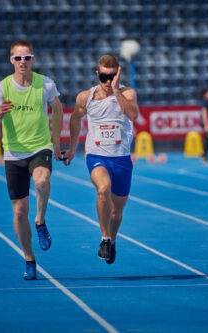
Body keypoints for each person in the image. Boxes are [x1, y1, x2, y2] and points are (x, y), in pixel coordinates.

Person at [0, 40, 63, 279]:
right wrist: (0, 111)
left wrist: (57, 142)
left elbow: (59, 110)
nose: (22, 62)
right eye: (18, 58)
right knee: (20, 212)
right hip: (13, 152)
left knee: (41, 182)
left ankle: (40, 221)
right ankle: (29, 259)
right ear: (11, 60)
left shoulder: (46, 83)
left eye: (27, 57)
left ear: (32, 59)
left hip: (40, 146)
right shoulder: (1, 88)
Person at [64, 54, 139, 264]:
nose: (107, 81)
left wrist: (116, 90)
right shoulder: (85, 97)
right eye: (104, 77)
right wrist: (72, 148)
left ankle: (113, 240)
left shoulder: (127, 93)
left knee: (116, 211)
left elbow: (133, 115)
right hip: (97, 156)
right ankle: (105, 239)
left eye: (112, 76)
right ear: (97, 74)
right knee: (103, 189)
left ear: (118, 74)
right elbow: (75, 118)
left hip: (122, 159)